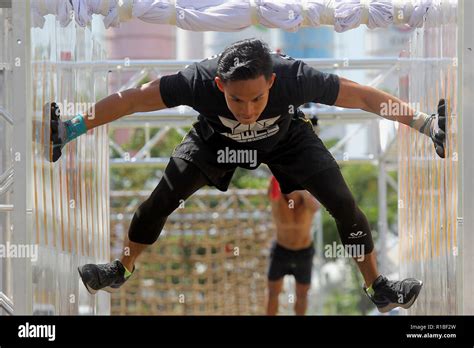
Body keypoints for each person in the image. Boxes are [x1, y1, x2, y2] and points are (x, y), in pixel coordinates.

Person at [50, 38, 446, 312]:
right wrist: (69, 129)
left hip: (286, 141)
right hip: (212, 142)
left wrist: (427, 125)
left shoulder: (294, 76)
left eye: (258, 98)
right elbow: (132, 100)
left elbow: (361, 95)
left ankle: (378, 288)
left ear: (272, 82)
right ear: (219, 84)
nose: (248, 109)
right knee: (159, 201)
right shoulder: (196, 82)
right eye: (236, 99)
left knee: (344, 203)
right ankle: (120, 270)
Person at [266, 176, 319, 315]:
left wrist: (301, 190)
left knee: (302, 295)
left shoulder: (307, 200)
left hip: (304, 252)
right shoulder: (277, 196)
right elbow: (273, 181)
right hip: (281, 250)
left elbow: (316, 208)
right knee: (273, 293)